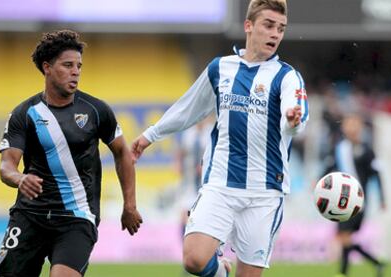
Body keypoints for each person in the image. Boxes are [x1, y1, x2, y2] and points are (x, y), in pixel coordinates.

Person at [131, 1, 309, 276]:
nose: (275, 34)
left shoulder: (287, 76)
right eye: (269, 25)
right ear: (249, 26)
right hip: (221, 185)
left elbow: (295, 117)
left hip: (265, 193)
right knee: (193, 259)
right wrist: (150, 135)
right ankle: (220, 272)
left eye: (281, 29)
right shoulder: (220, 69)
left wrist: (292, 120)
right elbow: (189, 107)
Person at [0, 30, 142, 277]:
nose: (76, 72)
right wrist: (20, 179)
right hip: (30, 215)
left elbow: (122, 153)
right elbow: (6, 166)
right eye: (68, 65)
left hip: (77, 216)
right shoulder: (24, 114)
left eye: (79, 66)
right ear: (47, 67)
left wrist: (130, 205)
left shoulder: (96, 110)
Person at [325, 114, 386, 277]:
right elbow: (330, 167)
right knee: (345, 237)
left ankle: (348, 270)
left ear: (359, 128)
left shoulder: (366, 150)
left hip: (359, 201)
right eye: (348, 125)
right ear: (344, 127)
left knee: (344, 237)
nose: (351, 128)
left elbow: (377, 174)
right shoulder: (339, 148)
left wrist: (382, 198)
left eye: (354, 125)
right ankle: (374, 265)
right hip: (341, 200)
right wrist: (318, 181)